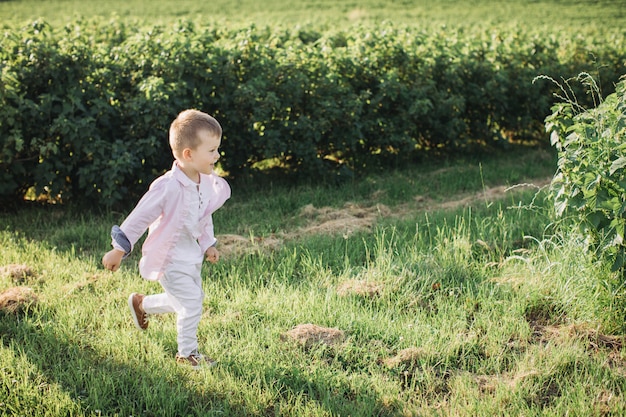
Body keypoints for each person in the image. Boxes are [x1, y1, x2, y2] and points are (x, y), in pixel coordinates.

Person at [102, 109, 231, 369]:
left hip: (190, 255)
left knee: (185, 299)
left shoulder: (203, 181)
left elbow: (203, 215)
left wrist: (208, 244)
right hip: (169, 257)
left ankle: (142, 304)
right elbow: (139, 216)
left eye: (217, 149)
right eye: (212, 150)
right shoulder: (167, 186)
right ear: (188, 154)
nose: (217, 156)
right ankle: (187, 354)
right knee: (192, 302)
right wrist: (119, 248)